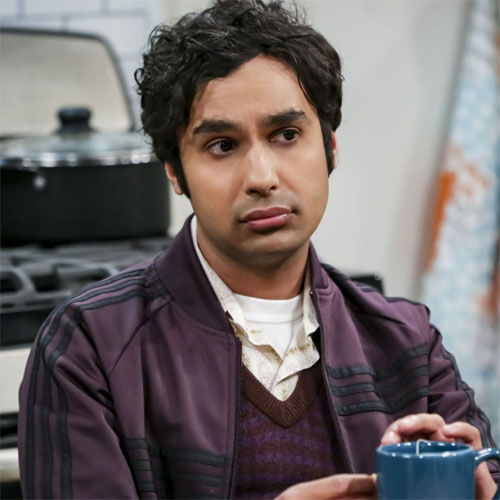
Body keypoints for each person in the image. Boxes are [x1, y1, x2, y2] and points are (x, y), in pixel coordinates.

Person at [18, 1, 498, 498]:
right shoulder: (88, 347)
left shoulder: (407, 341)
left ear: (330, 148)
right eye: (222, 145)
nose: (262, 178)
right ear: (174, 171)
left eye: (286, 135)